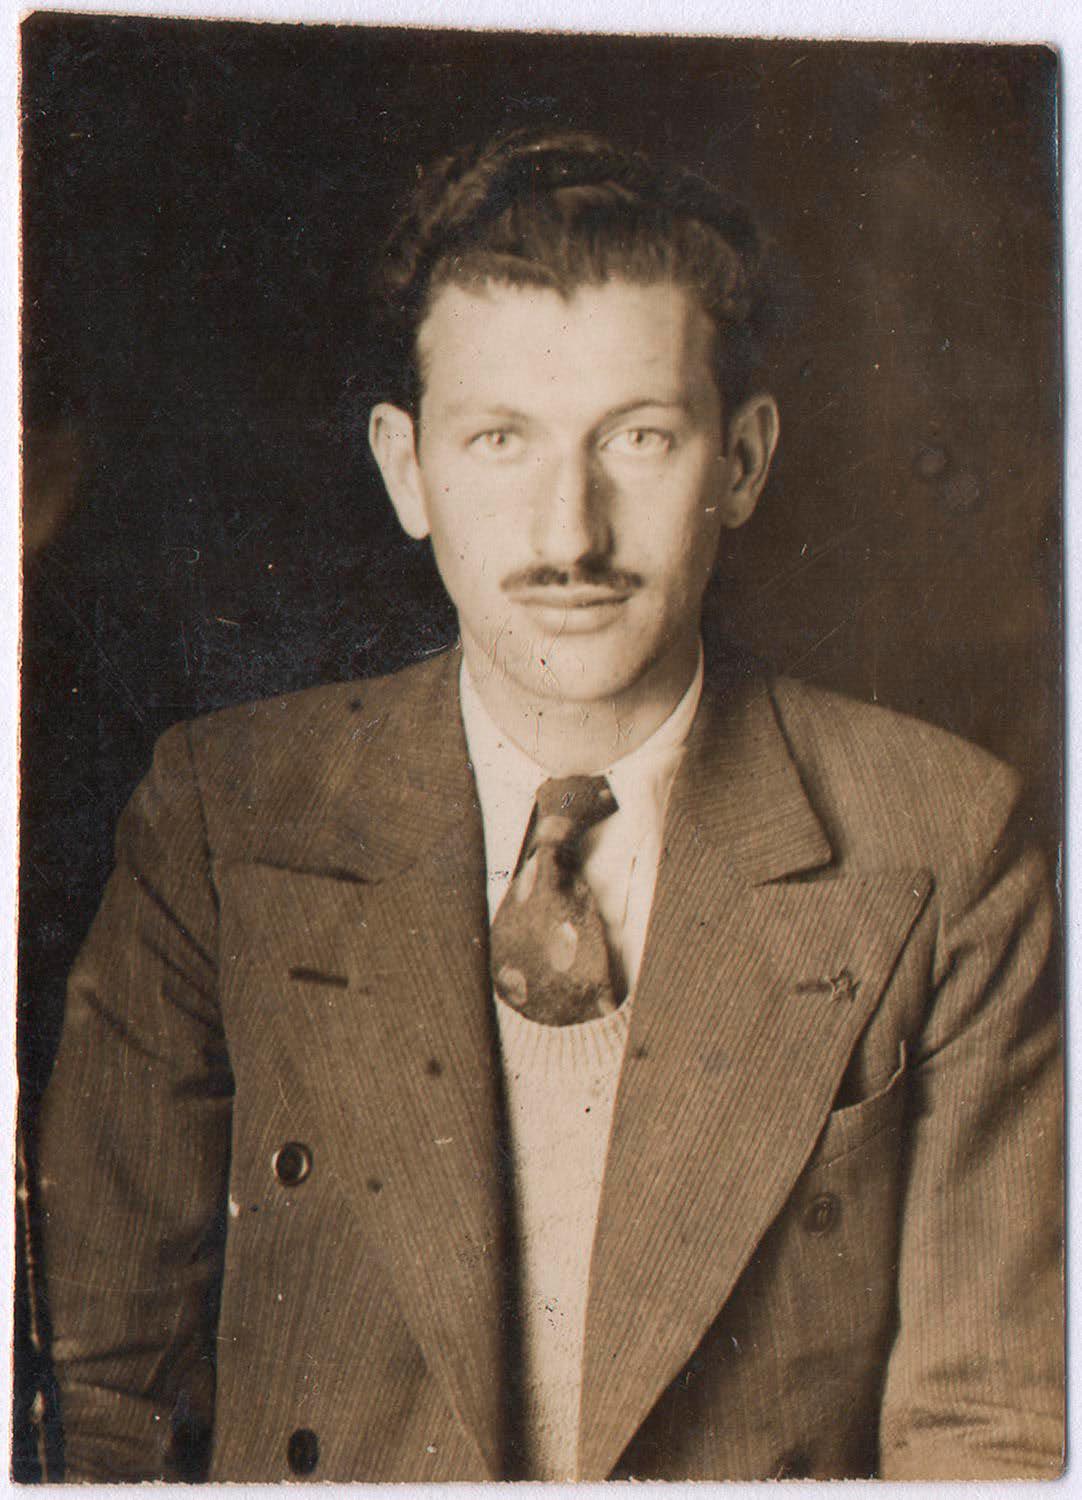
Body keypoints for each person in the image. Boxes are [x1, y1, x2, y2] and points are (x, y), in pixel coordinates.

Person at [36, 127, 1062, 1483]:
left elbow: (991, 1436)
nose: (569, 533)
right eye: (500, 439)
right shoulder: (224, 822)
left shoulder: (941, 841)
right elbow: (88, 1404)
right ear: (407, 468)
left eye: (638, 437)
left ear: (742, 462)